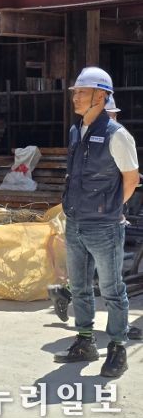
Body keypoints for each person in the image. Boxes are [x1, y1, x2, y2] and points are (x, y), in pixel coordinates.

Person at [55, 67, 139, 378]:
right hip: (76, 222)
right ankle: (85, 341)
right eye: (75, 92)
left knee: (112, 289)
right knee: (79, 286)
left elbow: (131, 178)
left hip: (104, 226)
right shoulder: (76, 131)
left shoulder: (118, 135)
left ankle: (117, 347)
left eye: (82, 92)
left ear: (101, 96)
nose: (75, 97)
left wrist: (112, 209)